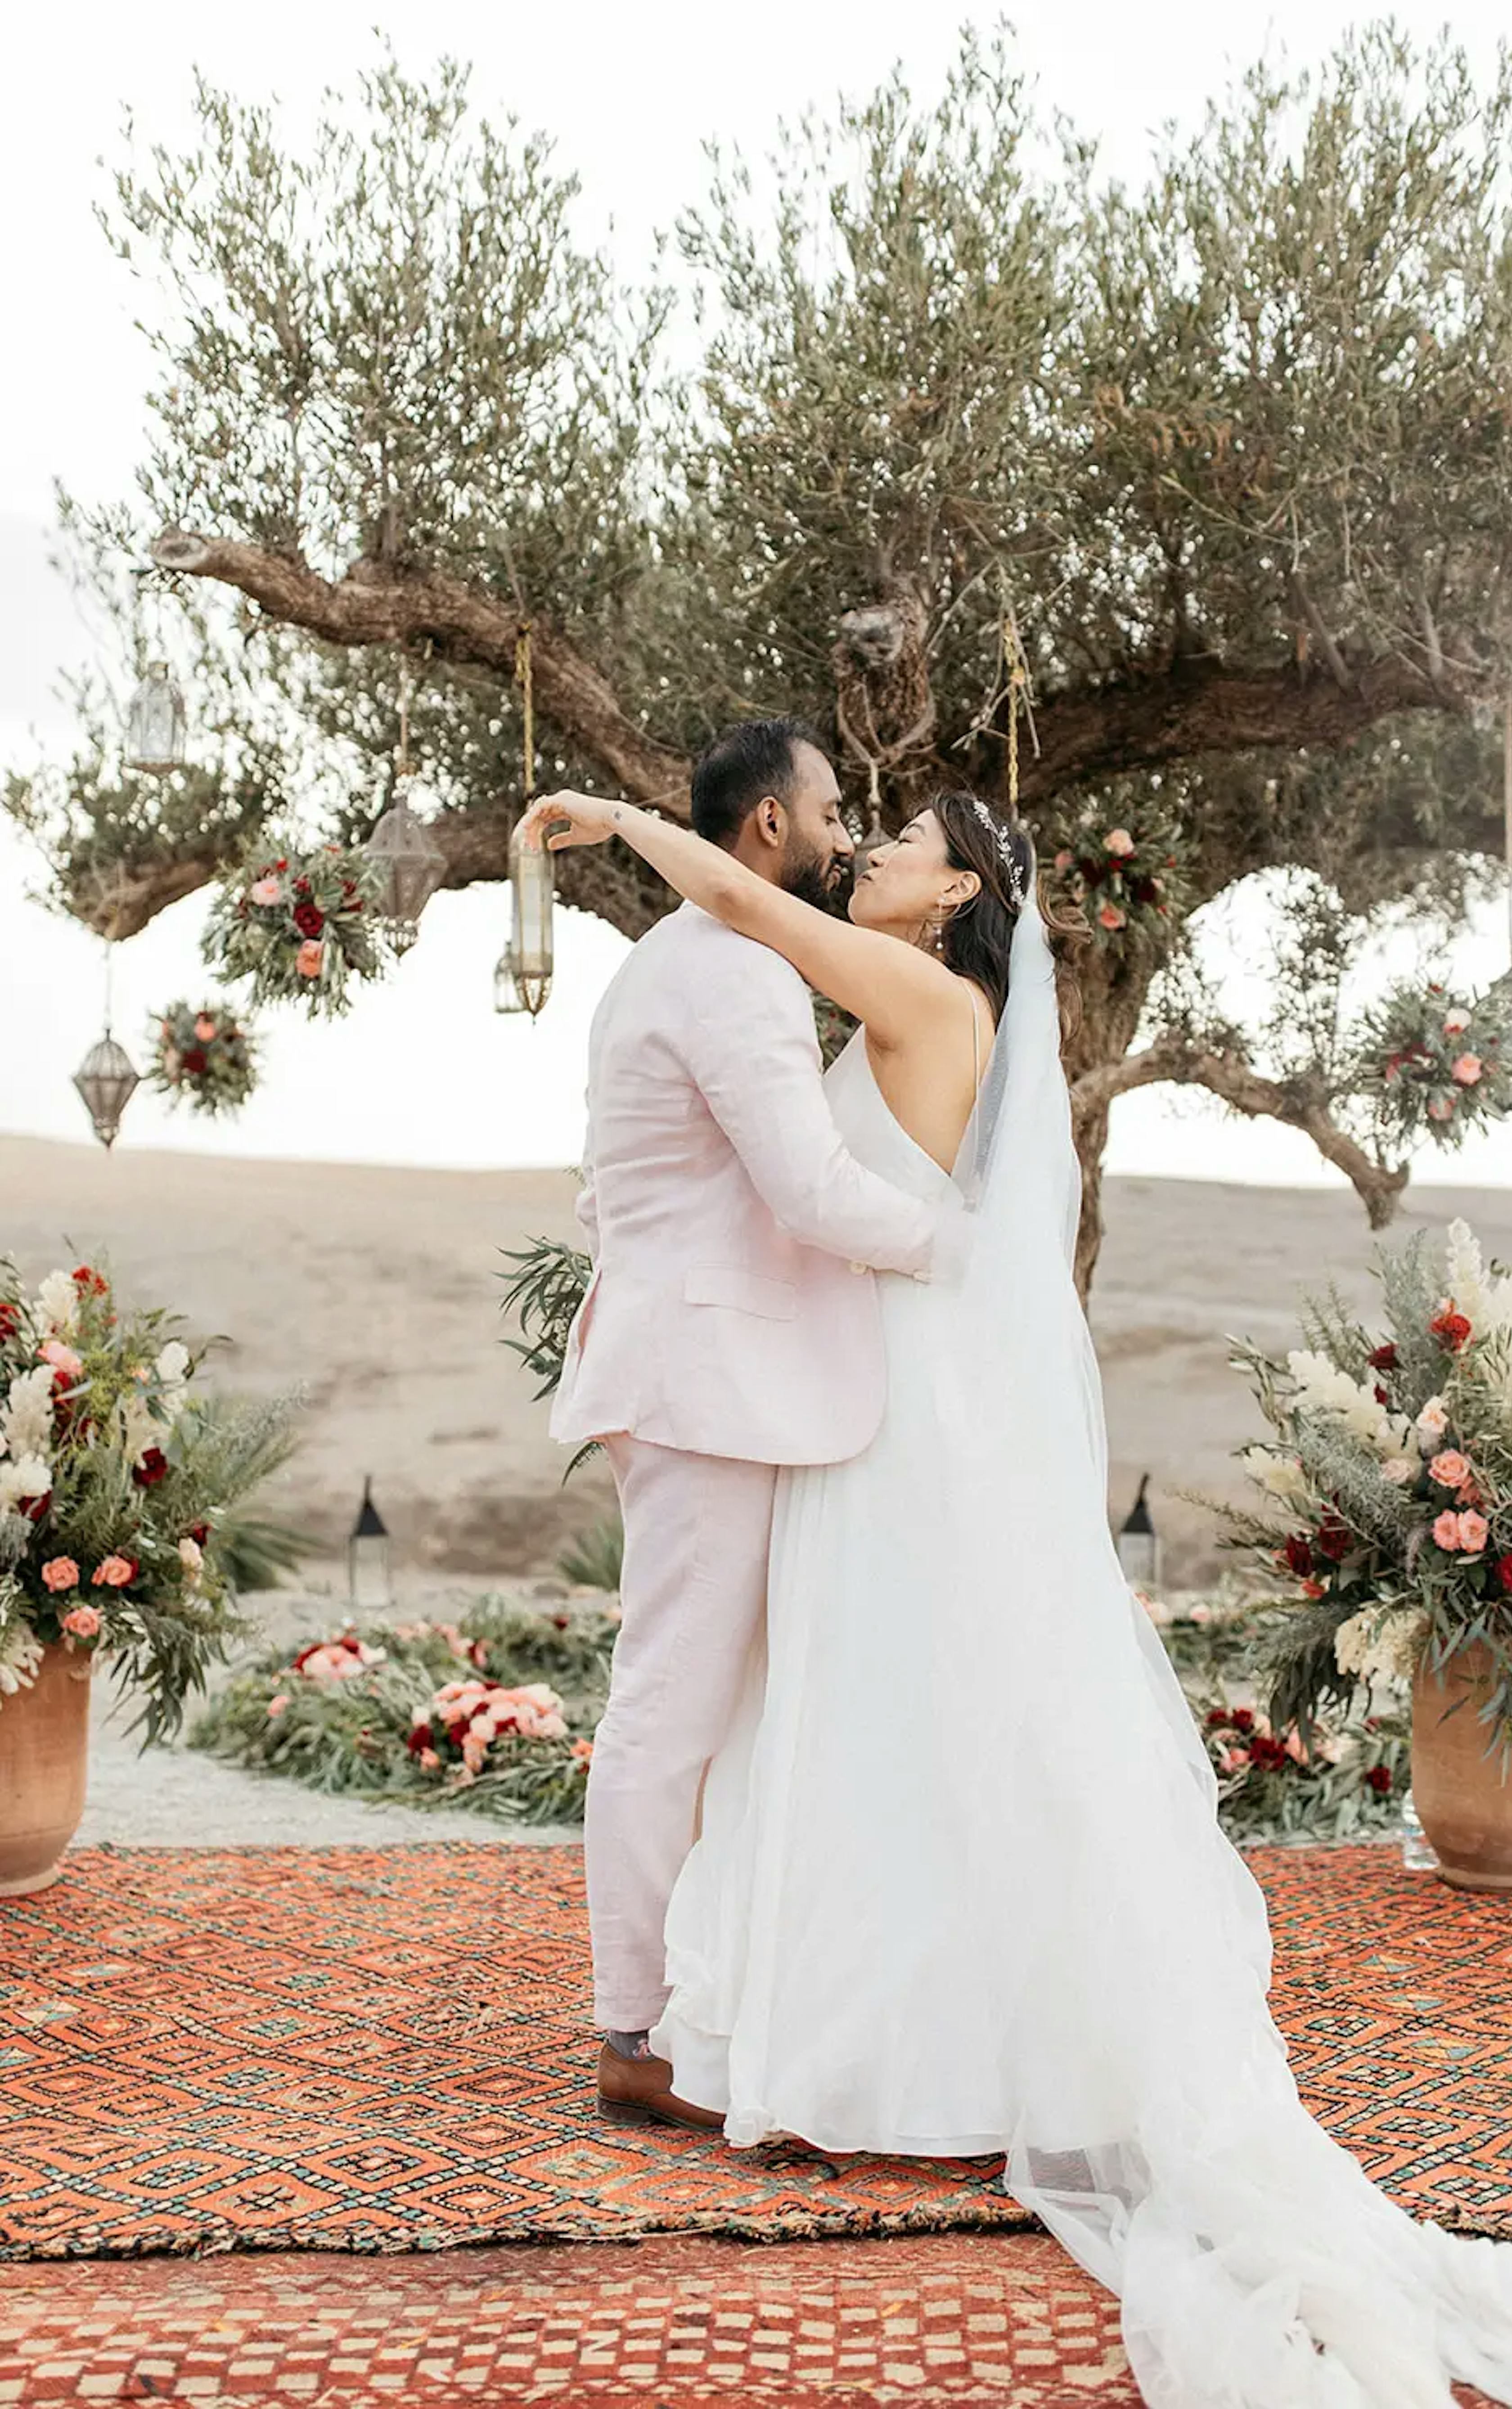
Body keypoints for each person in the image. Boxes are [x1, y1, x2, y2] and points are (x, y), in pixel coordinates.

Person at [524, 772, 1512, 2409]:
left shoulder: (918, 994)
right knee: (911, 1721)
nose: (865, 853)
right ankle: (909, 2036)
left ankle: (905, 2052)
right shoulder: (936, 1000)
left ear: (952, 900)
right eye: (856, 838)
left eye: (901, 850)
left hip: (906, 1417)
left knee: (891, 1716)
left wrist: (613, 819)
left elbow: (744, 909)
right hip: (892, 1400)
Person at [544, 718, 940, 2130]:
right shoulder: (736, 978)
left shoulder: (680, 962)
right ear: (767, 827)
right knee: (671, 1705)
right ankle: (633, 2028)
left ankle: (707, 1990)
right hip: (707, 1393)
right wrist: (961, 1252)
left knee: (715, 1705)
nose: (849, 835)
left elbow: (617, 1197)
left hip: (704, 1376)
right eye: (834, 812)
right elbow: (812, 1193)